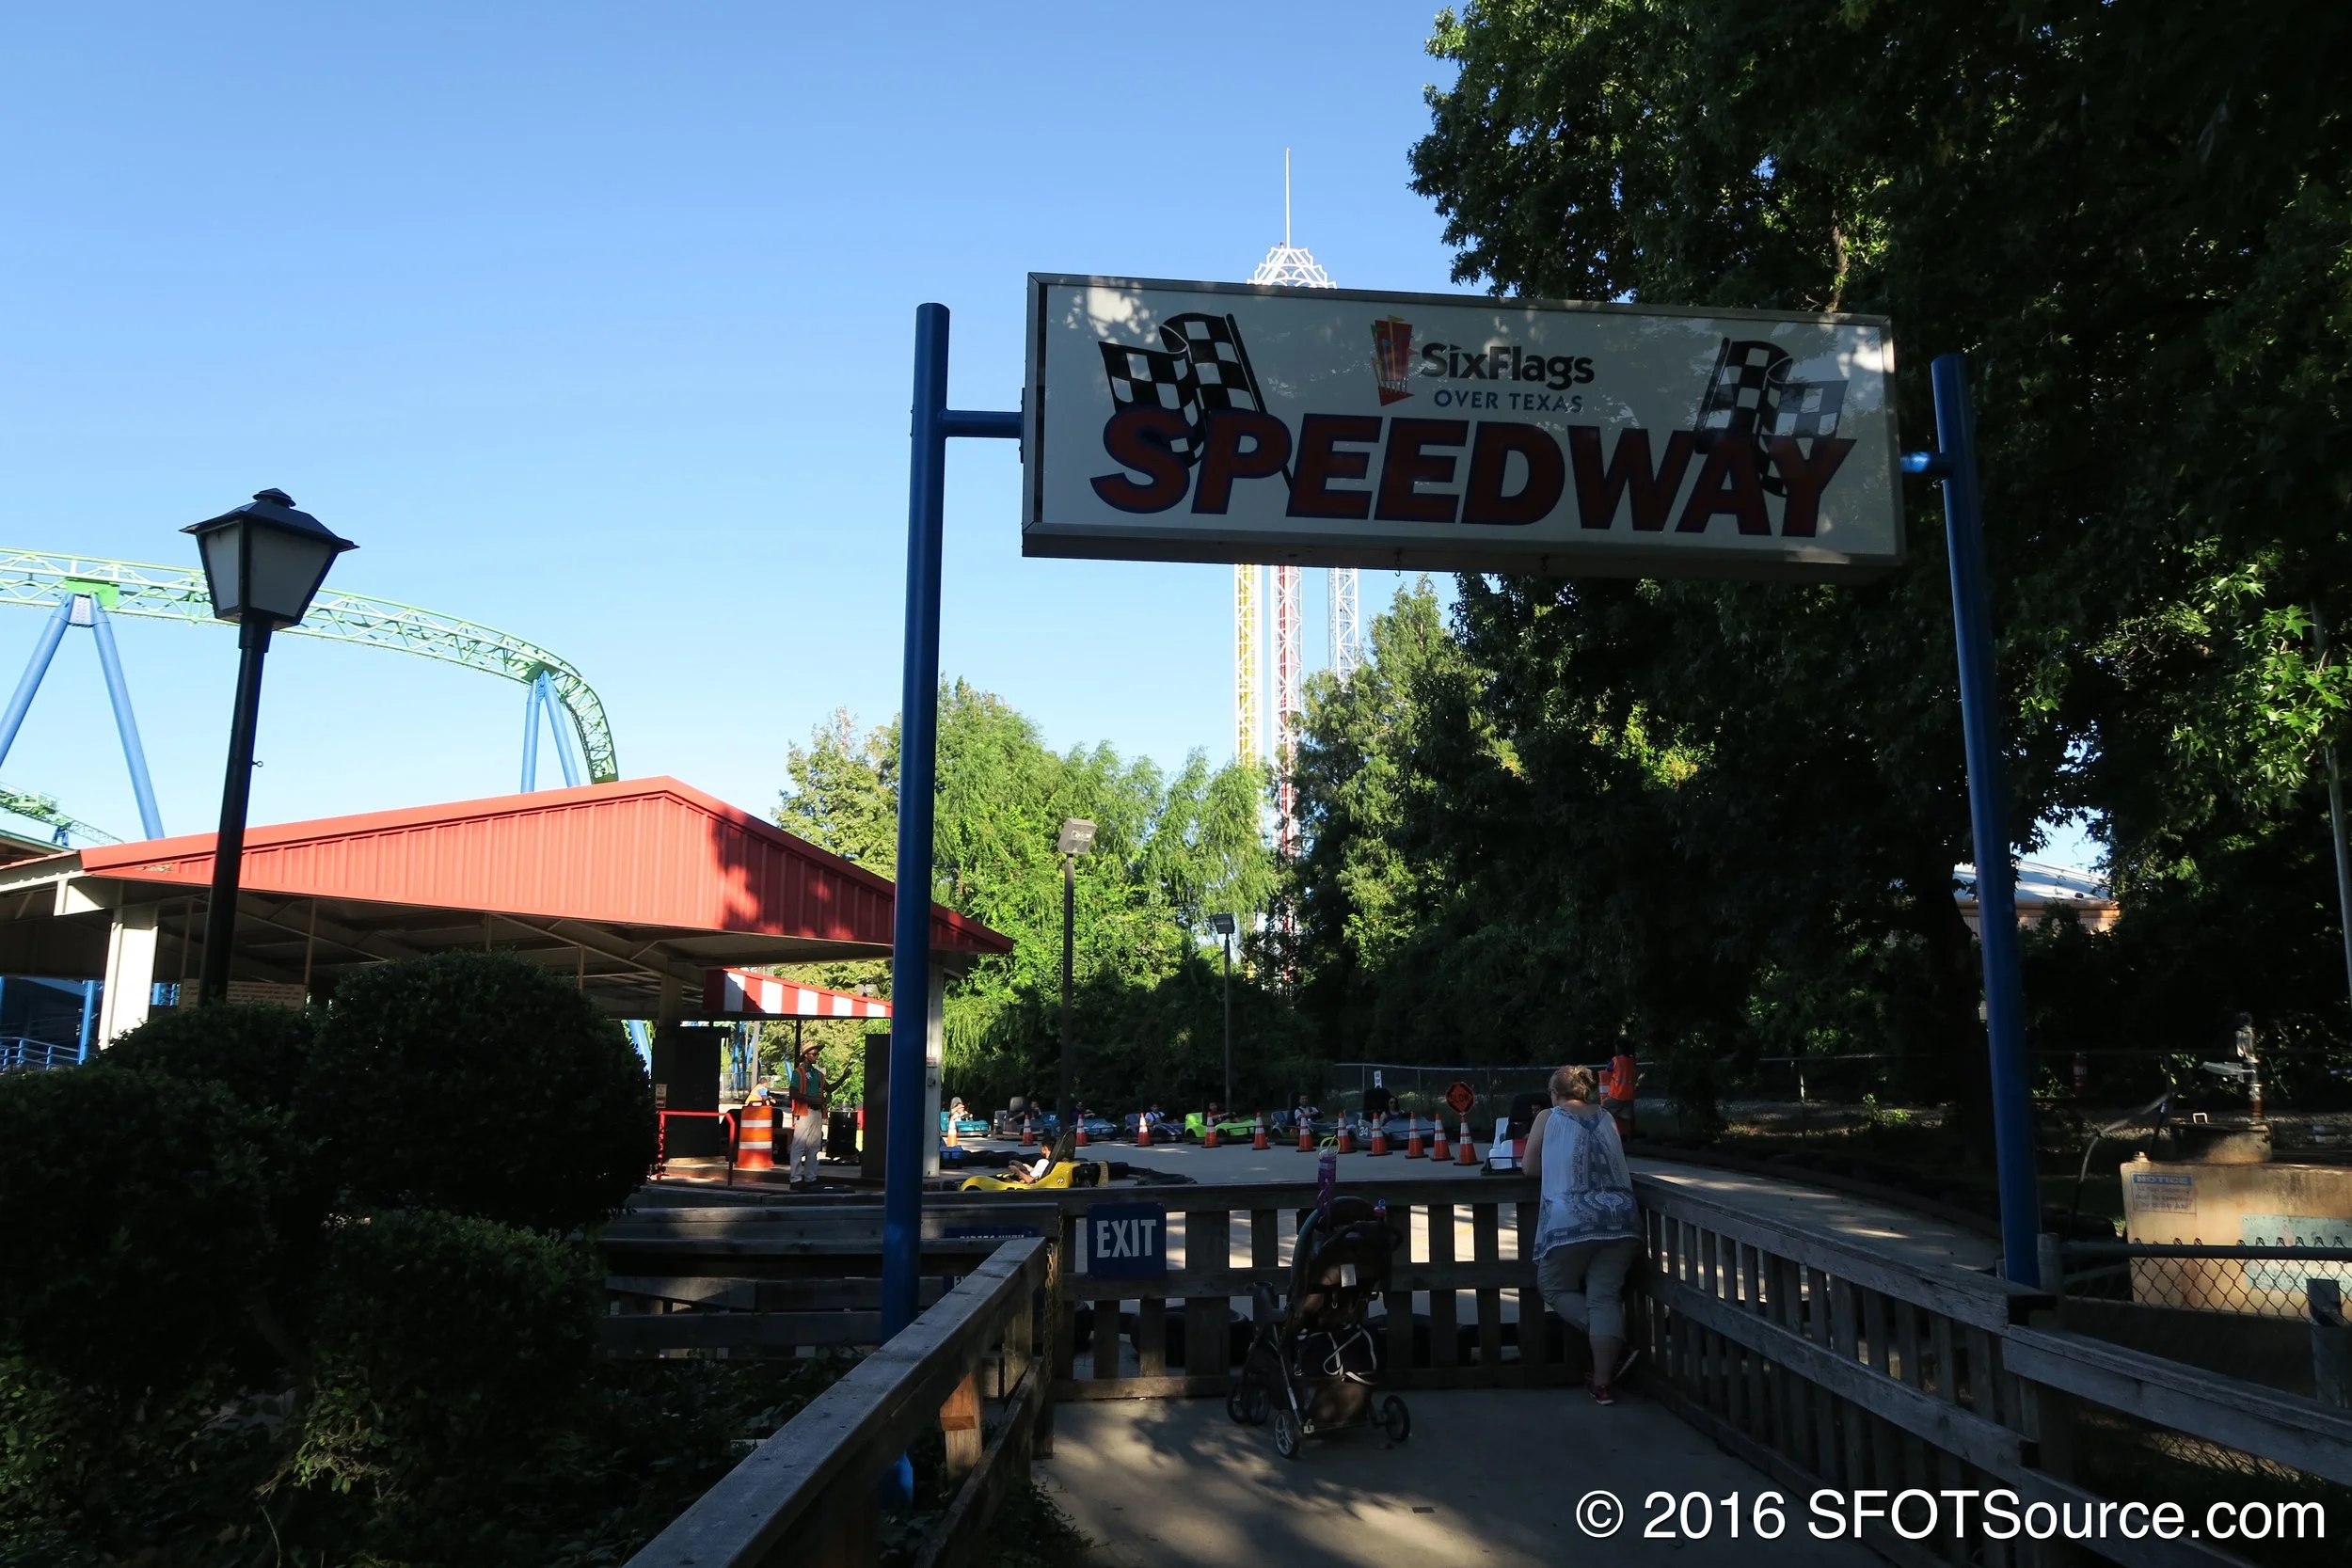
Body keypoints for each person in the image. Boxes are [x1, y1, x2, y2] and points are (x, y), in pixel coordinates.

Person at [1523, 1064, 1643, 1404]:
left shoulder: (1548, 1117)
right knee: (1604, 1298)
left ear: (1554, 1093)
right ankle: (1603, 1383)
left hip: (1572, 1219)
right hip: (1621, 1216)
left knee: (1553, 1286)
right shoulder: (1606, 1117)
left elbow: (1530, 1168)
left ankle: (1613, 1346)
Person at [785, 1043, 827, 1186]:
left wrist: (844, 1077)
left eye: (817, 1054)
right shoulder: (798, 1072)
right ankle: (795, 1178)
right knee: (799, 1145)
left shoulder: (817, 1074)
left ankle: (811, 1177)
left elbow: (828, 1087)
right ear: (806, 1056)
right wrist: (813, 1100)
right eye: (814, 1054)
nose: (816, 1057)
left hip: (816, 1112)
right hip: (804, 1112)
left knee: (814, 1146)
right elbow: (793, 1093)